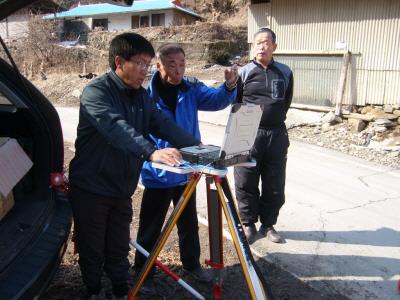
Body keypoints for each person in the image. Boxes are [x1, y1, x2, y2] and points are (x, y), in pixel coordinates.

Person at [68, 33, 201, 300]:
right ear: (119, 62)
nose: (146, 71)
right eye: (141, 63)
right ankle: (94, 290)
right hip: (92, 187)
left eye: (148, 64)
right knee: (92, 246)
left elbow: (163, 125)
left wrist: (200, 150)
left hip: (121, 186)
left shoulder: (141, 97)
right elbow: (117, 128)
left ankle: (120, 289)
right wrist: (151, 152)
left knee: (118, 245)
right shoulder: (96, 92)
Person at [134, 44, 238, 295]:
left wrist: (229, 87)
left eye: (182, 64)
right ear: (158, 66)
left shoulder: (190, 89)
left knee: (188, 223)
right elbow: (137, 134)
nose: (178, 69)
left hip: (188, 170)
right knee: (150, 227)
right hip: (159, 172)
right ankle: (142, 273)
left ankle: (191, 265)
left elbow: (215, 101)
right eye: (171, 64)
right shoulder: (145, 97)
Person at [234, 27, 293, 244]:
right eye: (257, 42)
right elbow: (236, 101)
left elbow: (286, 102)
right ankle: (248, 223)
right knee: (245, 180)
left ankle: (268, 224)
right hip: (245, 127)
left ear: (274, 46)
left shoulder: (285, 72)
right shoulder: (244, 71)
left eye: (266, 42)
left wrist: (272, 120)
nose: (261, 46)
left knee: (275, 182)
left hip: (276, 133)